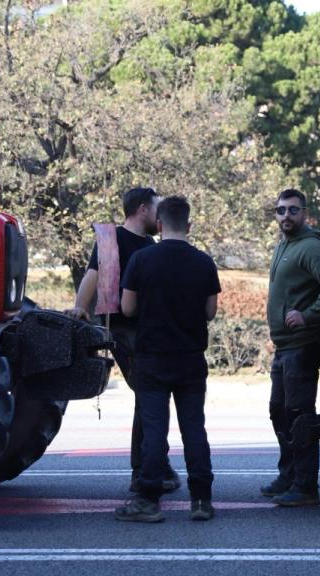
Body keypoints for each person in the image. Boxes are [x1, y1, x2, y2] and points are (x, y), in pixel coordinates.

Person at [64, 186, 180, 494]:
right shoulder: (111, 238)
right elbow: (93, 273)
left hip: (150, 330)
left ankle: (155, 463)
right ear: (142, 209)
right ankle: (144, 470)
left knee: (150, 396)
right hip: (123, 330)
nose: (160, 214)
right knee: (148, 394)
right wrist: (80, 306)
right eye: (156, 208)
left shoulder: (152, 243)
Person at [113, 196, 220, 523]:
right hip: (190, 359)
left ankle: (148, 501)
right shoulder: (204, 263)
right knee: (194, 429)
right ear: (188, 225)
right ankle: (201, 500)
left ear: (158, 225)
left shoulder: (142, 260)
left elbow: (127, 308)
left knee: (155, 431)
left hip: (151, 359)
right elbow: (210, 312)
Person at [263, 188, 320, 506]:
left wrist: (309, 314)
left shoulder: (310, 246)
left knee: (299, 416)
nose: (286, 216)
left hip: (302, 345)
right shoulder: (285, 244)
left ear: (305, 214)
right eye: (281, 210)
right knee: (279, 412)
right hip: (285, 347)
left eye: (293, 210)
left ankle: (305, 487)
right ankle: (288, 476)